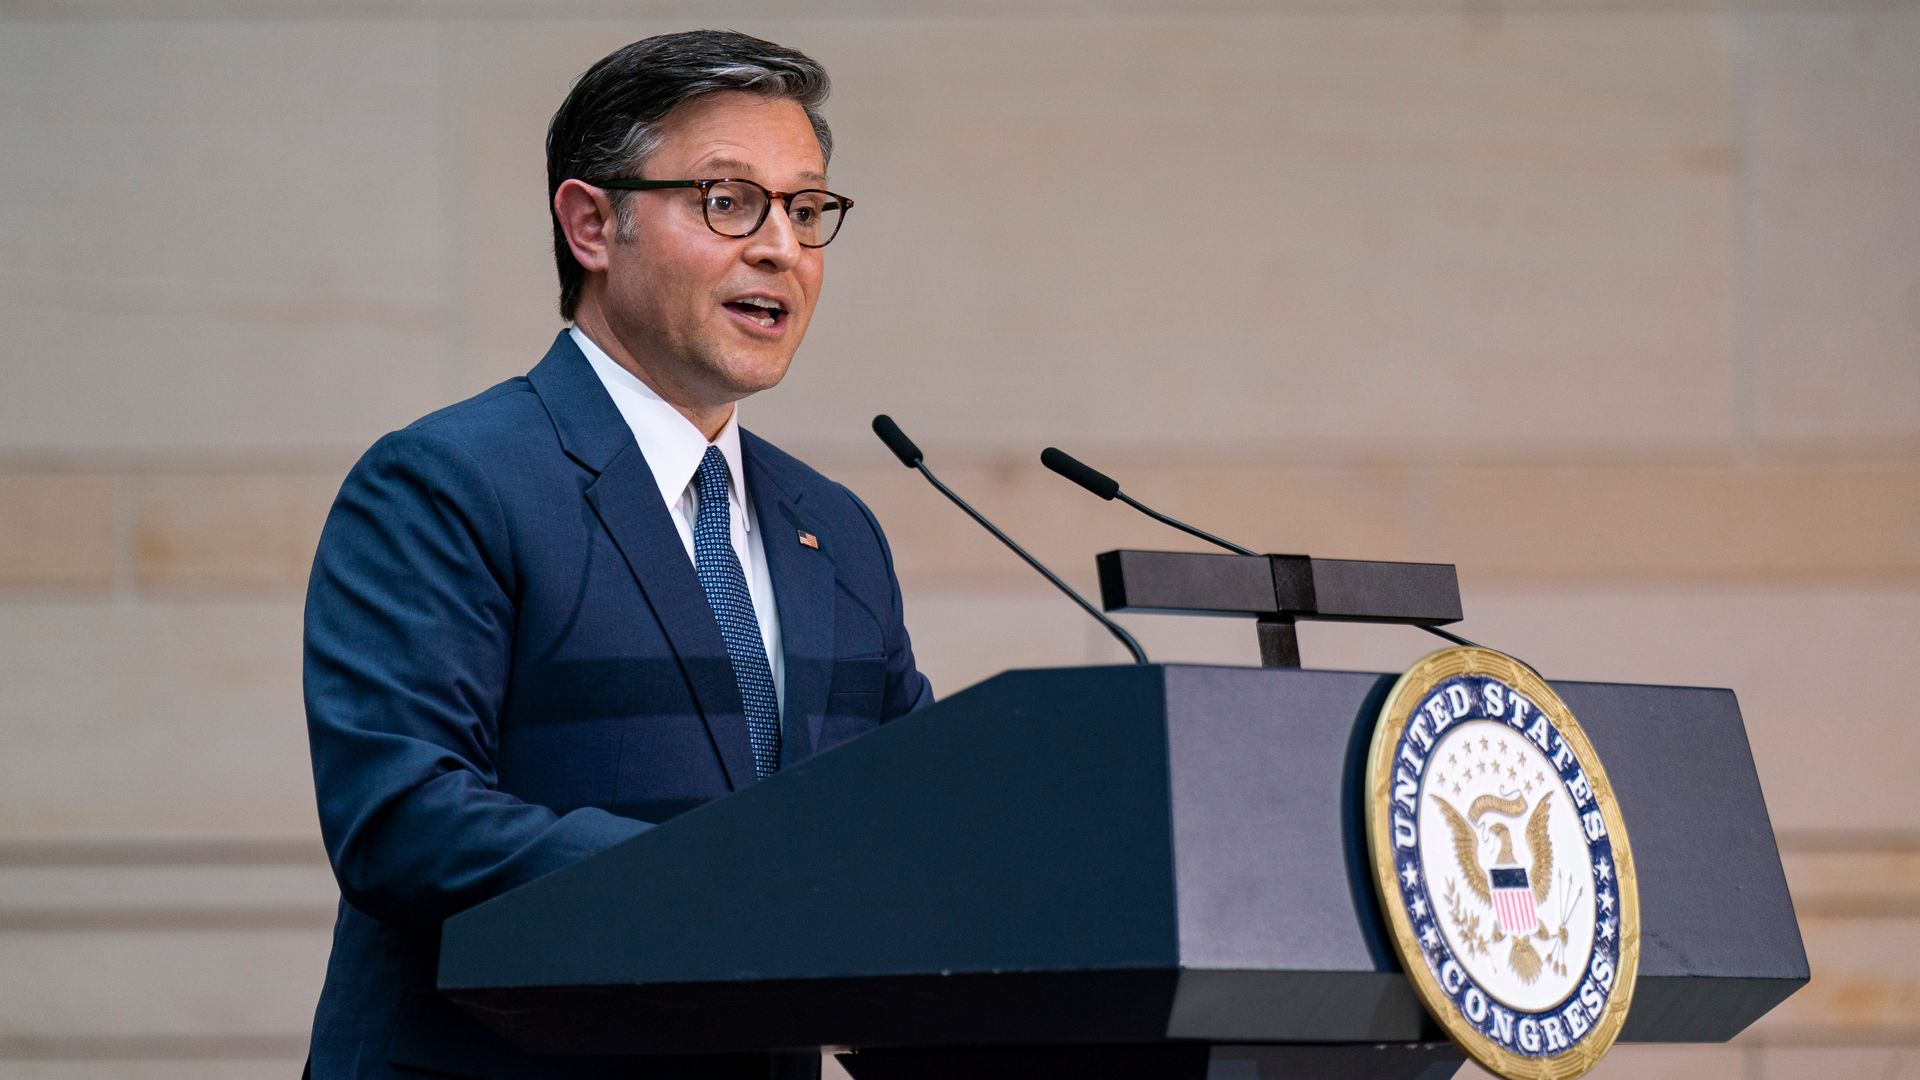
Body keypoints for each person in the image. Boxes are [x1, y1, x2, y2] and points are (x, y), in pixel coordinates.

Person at [301, 30, 932, 1080]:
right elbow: (402, 817)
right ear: (592, 223)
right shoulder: (447, 482)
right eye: (729, 202)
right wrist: (733, 886)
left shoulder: (835, 529)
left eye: (806, 208)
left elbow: (908, 816)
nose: (781, 246)